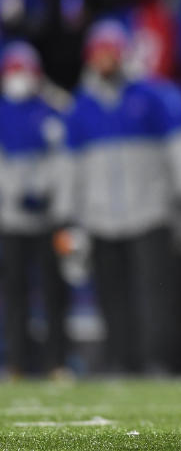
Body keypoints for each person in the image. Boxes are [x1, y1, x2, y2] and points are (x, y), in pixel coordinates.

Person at [59, 21, 181, 374]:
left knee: (155, 294)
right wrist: (66, 212)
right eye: (100, 53)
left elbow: (178, 147)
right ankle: (121, 360)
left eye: (111, 52)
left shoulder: (152, 96)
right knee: (112, 295)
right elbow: (69, 167)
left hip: (149, 210)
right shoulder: (81, 106)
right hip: (100, 215)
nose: (106, 60)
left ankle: (158, 360)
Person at [0, 42, 70, 376]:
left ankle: (56, 361)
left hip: (47, 217)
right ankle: (17, 362)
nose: (19, 78)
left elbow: (63, 158)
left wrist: (44, 191)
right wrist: (15, 193)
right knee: (14, 294)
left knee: (53, 292)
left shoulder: (51, 109)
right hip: (9, 219)